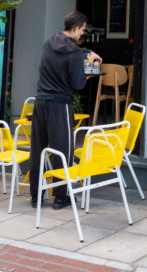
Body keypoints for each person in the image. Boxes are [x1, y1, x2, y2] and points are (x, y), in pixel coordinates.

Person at [29, 11, 101, 210]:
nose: (82, 34)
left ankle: (37, 196)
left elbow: (68, 53)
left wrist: (86, 52)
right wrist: (90, 73)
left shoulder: (49, 43)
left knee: (39, 150)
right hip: (60, 104)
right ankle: (62, 196)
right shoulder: (75, 53)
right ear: (77, 28)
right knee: (63, 151)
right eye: (83, 30)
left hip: (40, 101)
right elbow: (78, 84)